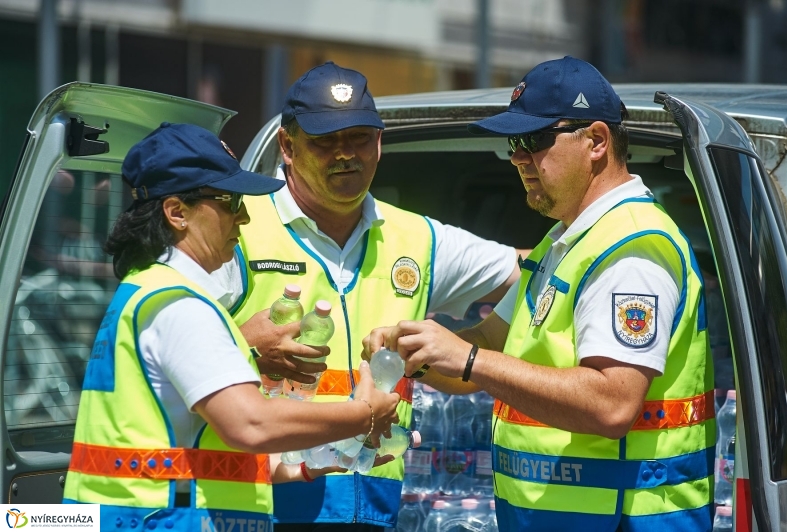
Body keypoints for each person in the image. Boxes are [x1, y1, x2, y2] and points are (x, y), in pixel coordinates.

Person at [366, 56, 715, 532]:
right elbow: (487, 345)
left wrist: (469, 359)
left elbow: (612, 404)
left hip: (622, 519)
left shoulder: (631, 248)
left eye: (533, 141)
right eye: (513, 144)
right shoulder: (563, 242)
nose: (517, 158)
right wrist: (418, 349)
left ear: (595, 141)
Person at [215, 61, 522, 531]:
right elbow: (165, 350)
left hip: (377, 507)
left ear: (379, 143)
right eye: (324, 141)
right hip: (261, 504)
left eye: (358, 138)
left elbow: (531, 271)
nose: (345, 155)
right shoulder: (236, 228)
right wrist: (244, 345)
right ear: (288, 148)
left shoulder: (416, 238)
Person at [63, 123, 400, 529]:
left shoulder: (150, 292)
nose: (243, 217)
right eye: (229, 201)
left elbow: (195, 443)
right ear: (176, 213)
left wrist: (301, 465)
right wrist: (362, 415)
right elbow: (250, 423)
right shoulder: (180, 305)